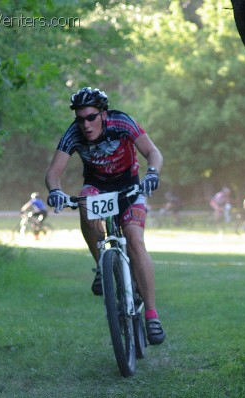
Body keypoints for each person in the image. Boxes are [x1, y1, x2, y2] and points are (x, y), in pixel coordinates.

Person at [44, 87, 165, 345]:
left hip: (130, 187)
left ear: (103, 114)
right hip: (97, 188)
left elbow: (153, 153)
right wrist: (55, 191)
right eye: (80, 118)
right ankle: (102, 266)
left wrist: (152, 173)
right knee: (84, 203)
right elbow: (53, 172)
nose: (85, 124)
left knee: (135, 241)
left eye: (91, 117)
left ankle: (152, 315)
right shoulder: (74, 133)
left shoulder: (122, 122)